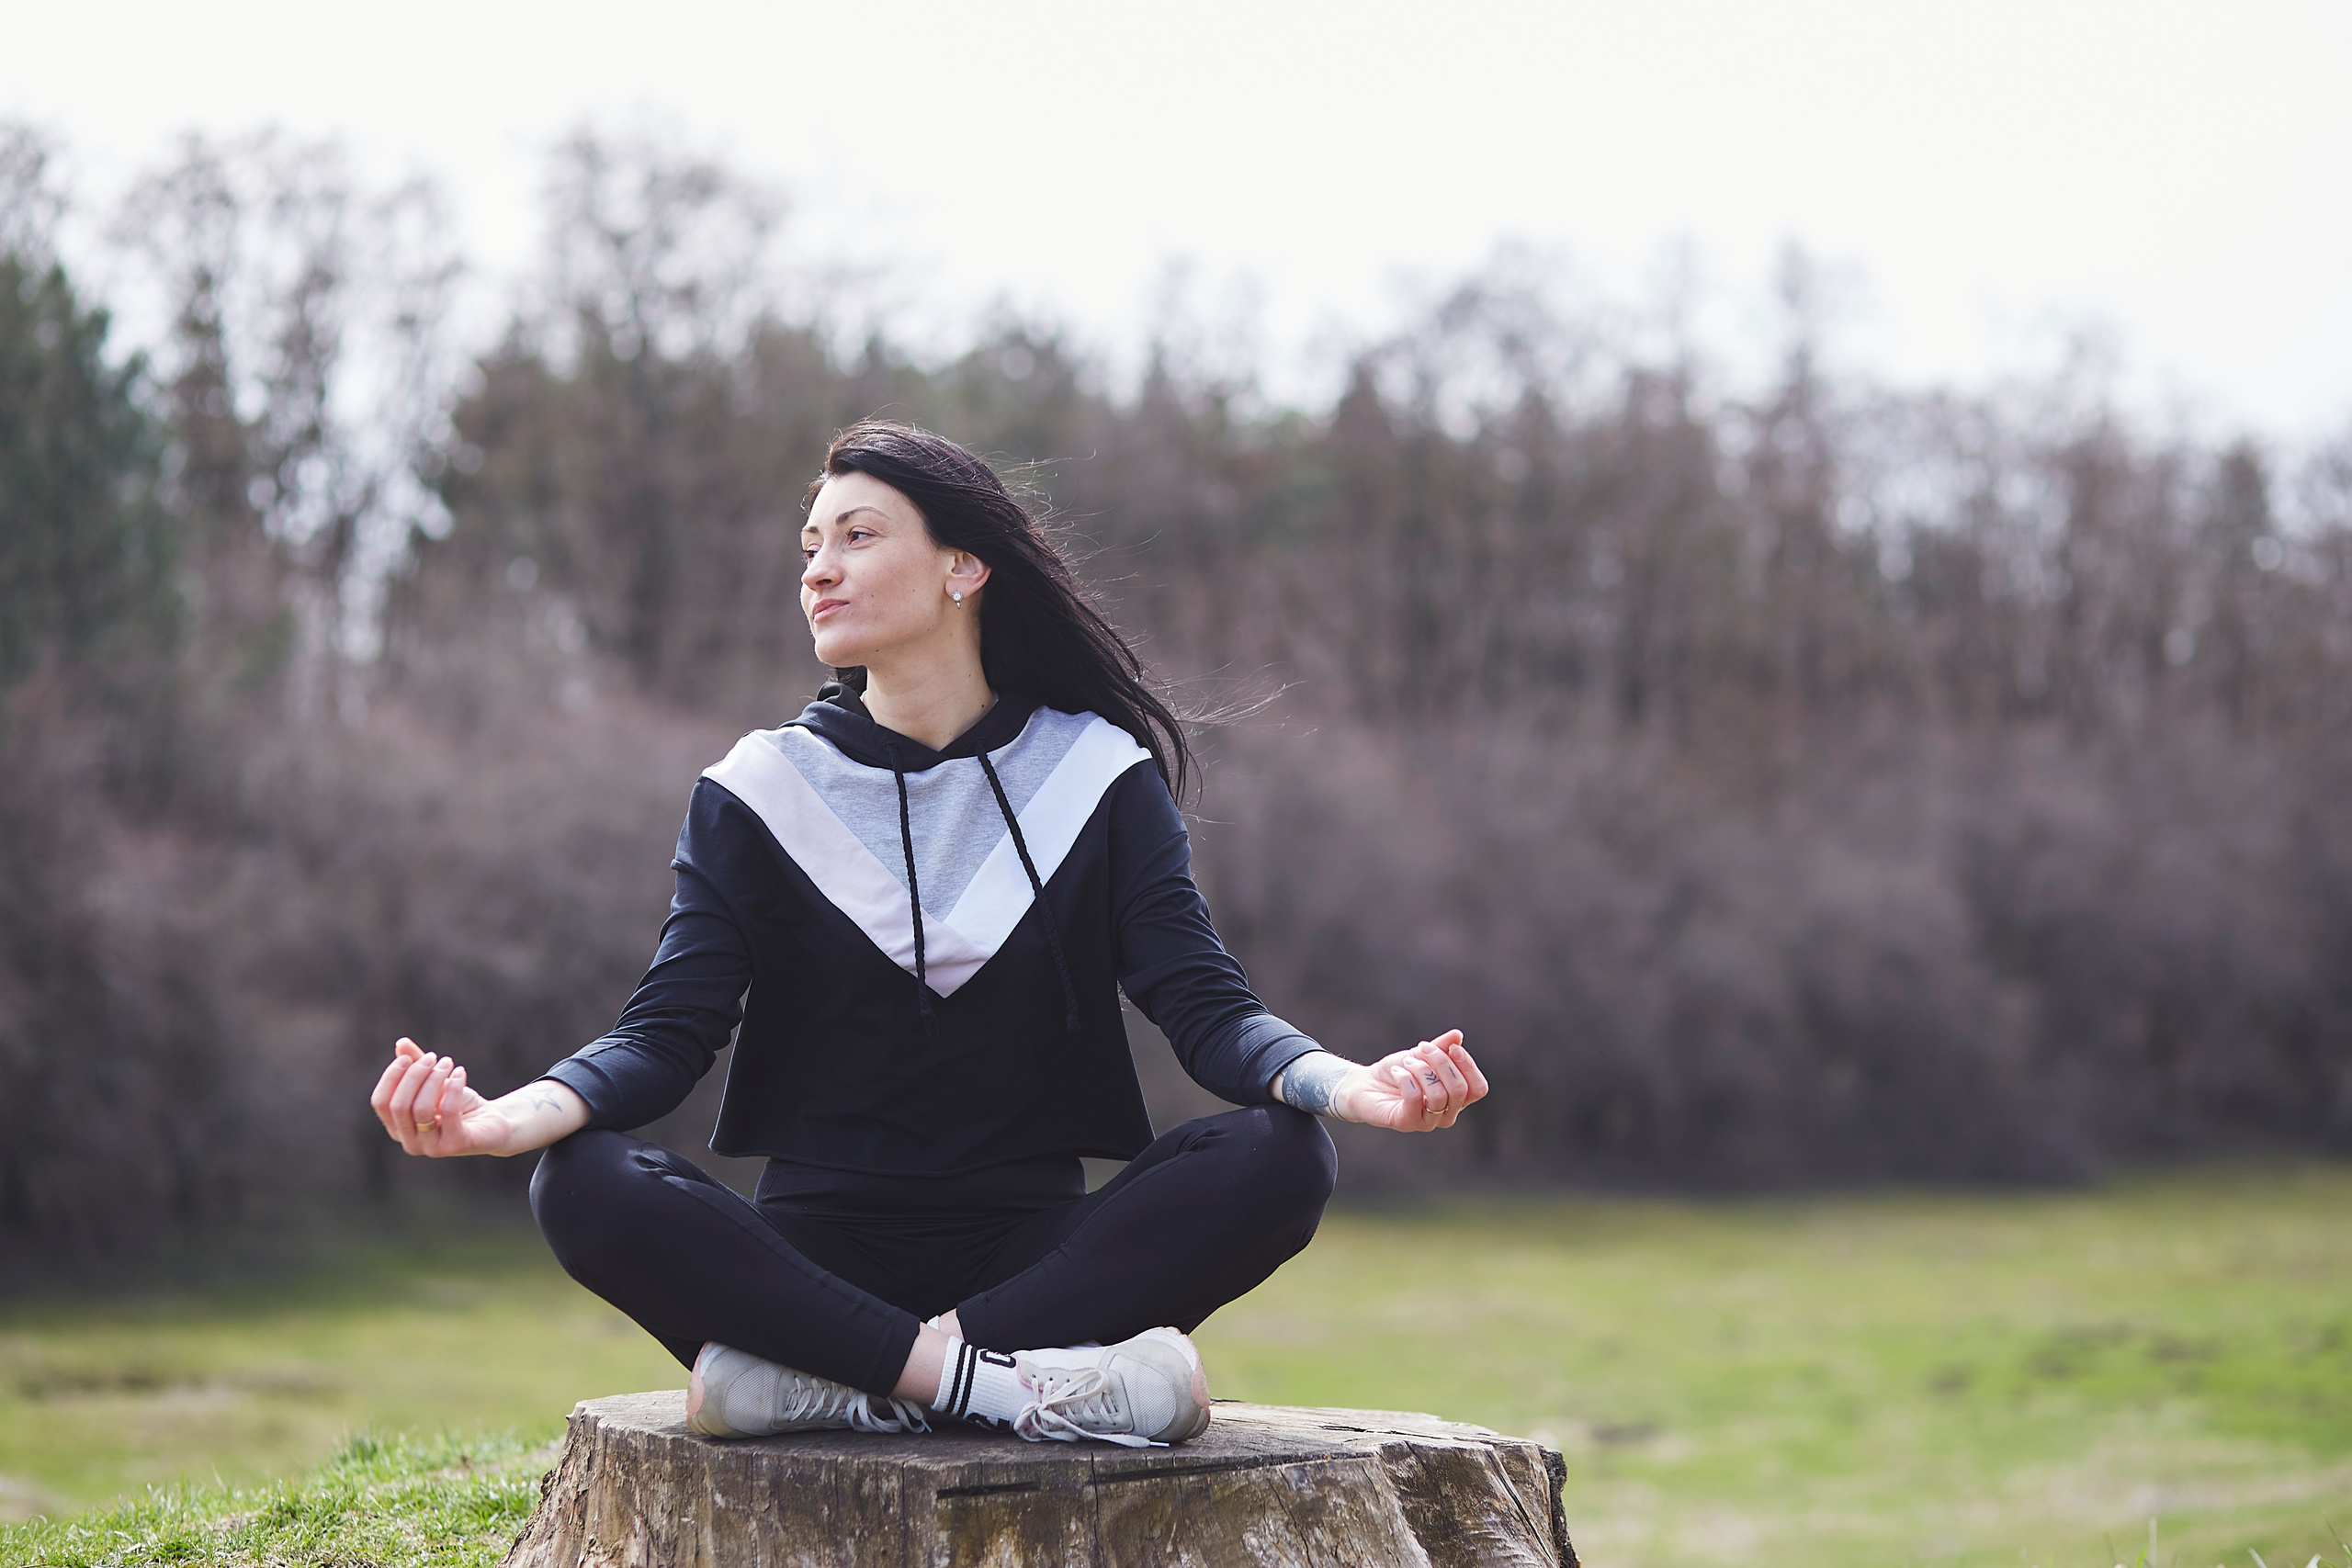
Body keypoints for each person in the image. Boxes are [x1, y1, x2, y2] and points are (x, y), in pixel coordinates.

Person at [368, 420, 1489, 1449]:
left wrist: (1353, 1087)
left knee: (1283, 1154)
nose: (818, 568)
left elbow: (1204, 1007)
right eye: (809, 543)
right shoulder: (757, 788)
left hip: (1044, 1262)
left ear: (964, 566)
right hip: (807, 1265)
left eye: (857, 536)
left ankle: (836, 1389)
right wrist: (501, 1119)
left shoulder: (1098, 775)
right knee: (578, 1183)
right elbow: (667, 1032)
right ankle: (1005, 1389)